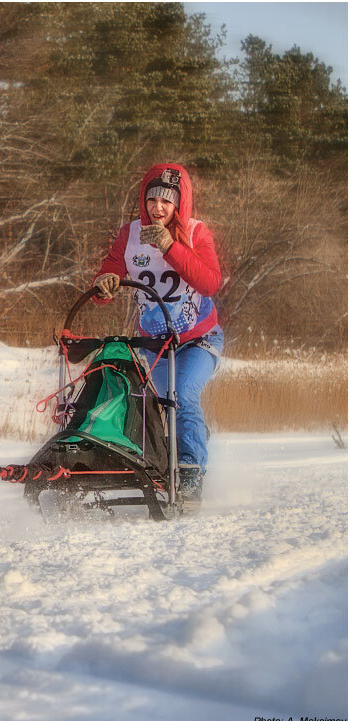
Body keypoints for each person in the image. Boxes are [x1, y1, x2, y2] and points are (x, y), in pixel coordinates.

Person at [92, 163, 223, 507]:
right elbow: (108, 275)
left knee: (182, 396)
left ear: (180, 203)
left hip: (198, 340)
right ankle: (163, 463)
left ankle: (192, 475)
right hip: (156, 345)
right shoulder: (130, 234)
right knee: (156, 404)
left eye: (167, 200)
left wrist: (170, 246)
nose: (158, 207)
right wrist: (104, 284)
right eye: (152, 199)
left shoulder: (196, 233)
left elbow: (210, 282)